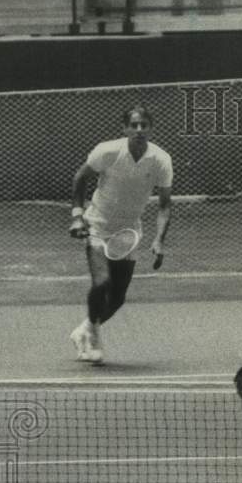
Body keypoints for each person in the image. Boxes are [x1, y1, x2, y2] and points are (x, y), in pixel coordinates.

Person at [69, 105, 172, 364]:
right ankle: (93, 338)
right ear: (125, 128)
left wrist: (159, 240)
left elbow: (164, 205)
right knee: (101, 282)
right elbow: (80, 177)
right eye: (134, 125)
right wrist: (77, 215)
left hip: (128, 232)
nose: (138, 130)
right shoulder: (108, 151)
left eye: (143, 125)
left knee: (117, 298)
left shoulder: (161, 160)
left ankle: (85, 329)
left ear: (150, 128)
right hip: (97, 225)